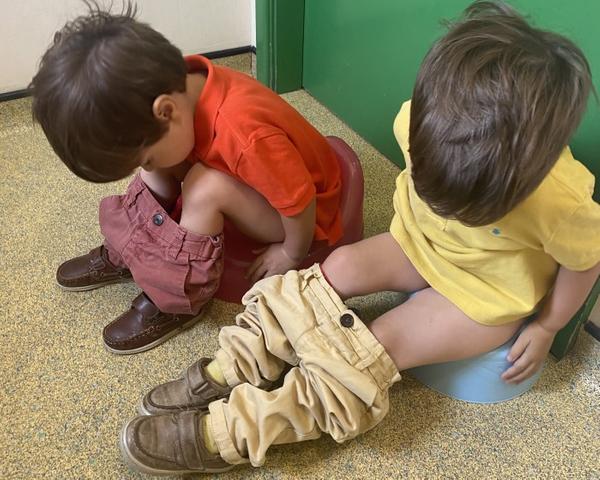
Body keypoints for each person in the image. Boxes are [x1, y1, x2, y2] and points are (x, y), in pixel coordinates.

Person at [117, 0, 600, 475]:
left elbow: (585, 262)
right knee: (335, 268)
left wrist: (547, 325)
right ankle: (234, 365)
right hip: (418, 244)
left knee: (376, 345)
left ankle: (237, 432)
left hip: (481, 295)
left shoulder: (562, 201)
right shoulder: (418, 121)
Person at [30, 2, 343, 354]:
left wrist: (290, 250)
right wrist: (153, 162)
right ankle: (131, 246)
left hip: (301, 209)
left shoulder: (243, 133)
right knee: (166, 161)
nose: (144, 166)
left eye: (142, 159)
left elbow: (298, 198)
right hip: (257, 176)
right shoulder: (182, 85)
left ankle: (181, 296)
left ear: (167, 110)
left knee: (202, 185)